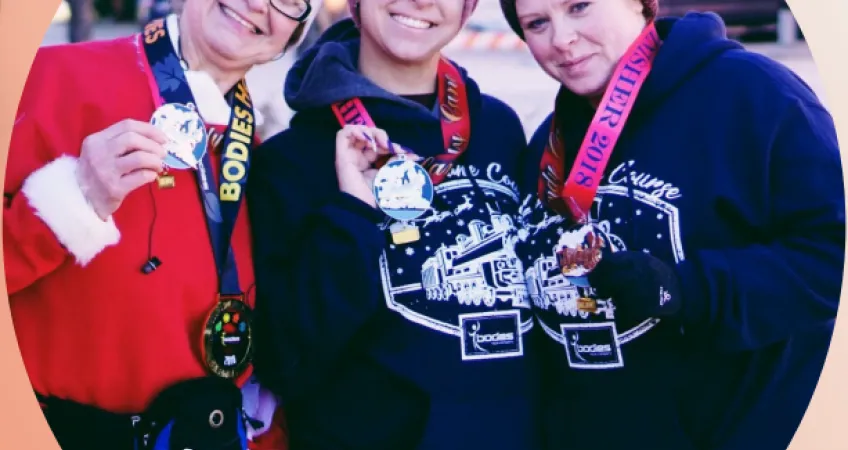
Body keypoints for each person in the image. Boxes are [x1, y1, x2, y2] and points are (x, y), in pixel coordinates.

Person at [495, 0, 845, 448]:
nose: (561, 39)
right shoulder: (549, 145)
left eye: (580, 7)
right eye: (537, 23)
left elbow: (831, 257)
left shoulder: (754, 95)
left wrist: (687, 288)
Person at [4, 0, 322, 447]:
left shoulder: (261, 153)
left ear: (292, 33)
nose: (256, 3)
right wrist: (74, 200)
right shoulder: (52, 77)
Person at [247, 3, 544, 449]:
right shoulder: (289, 161)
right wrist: (352, 214)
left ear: (467, 10)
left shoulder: (498, 130)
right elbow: (284, 360)